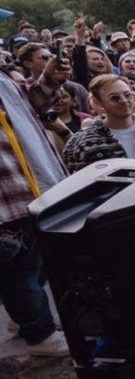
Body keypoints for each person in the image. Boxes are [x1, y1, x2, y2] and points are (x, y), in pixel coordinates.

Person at [0, 55, 70, 356]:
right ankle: (38, 333)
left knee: (36, 259)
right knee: (20, 270)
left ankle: (25, 317)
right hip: (7, 195)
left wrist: (50, 80)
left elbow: (30, 104)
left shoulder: (5, 78)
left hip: (33, 185)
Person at [62, 74, 135, 172]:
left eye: (128, 95)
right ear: (98, 102)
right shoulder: (81, 143)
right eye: (114, 98)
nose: (124, 101)